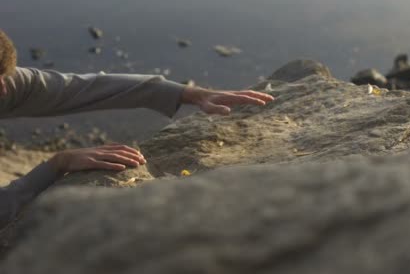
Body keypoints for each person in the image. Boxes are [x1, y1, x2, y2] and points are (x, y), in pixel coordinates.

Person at [0, 29, 274, 227]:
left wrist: (190, 94)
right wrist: (58, 164)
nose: (3, 90)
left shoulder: (6, 85)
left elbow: (82, 89)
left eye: (3, 78)